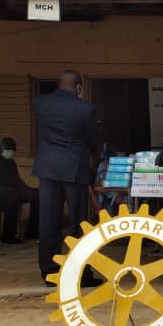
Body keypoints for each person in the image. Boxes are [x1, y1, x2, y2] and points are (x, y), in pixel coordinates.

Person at [32, 71, 99, 284]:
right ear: (78, 87)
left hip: (47, 167)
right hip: (74, 168)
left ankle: (49, 271)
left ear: (58, 84)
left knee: (48, 221)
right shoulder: (86, 109)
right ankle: (81, 273)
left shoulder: (40, 103)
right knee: (79, 222)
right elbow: (93, 141)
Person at [0, 137, 40, 244]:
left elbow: (17, 180)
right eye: (8, 150)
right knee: (10, 196)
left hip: (12, 190)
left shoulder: (11, 162)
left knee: (37, 194)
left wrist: (27, 190)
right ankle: (8, 236)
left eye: (12, 150)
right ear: (1, 148)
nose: (10, 153)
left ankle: (32, 231)